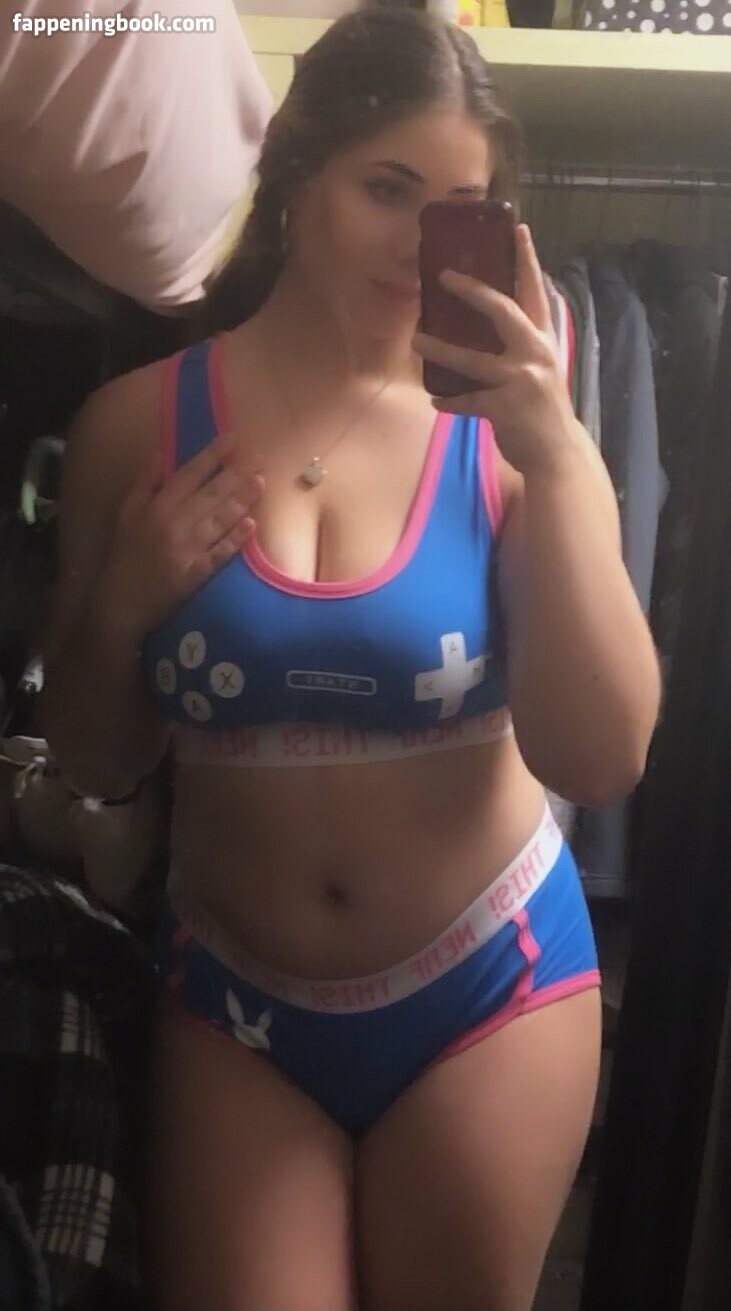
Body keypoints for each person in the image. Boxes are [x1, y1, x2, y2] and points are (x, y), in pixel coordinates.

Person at [40, 9, 661, 1310]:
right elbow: (96, 760)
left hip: (491, 983)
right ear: (296, 172)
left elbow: (602, 756)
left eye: (459, 210)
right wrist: (124, 602)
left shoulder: (513, 433)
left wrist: (558, 455)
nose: (418, 240)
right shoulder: (133, 427)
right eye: (389, 190)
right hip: (237, 1009)